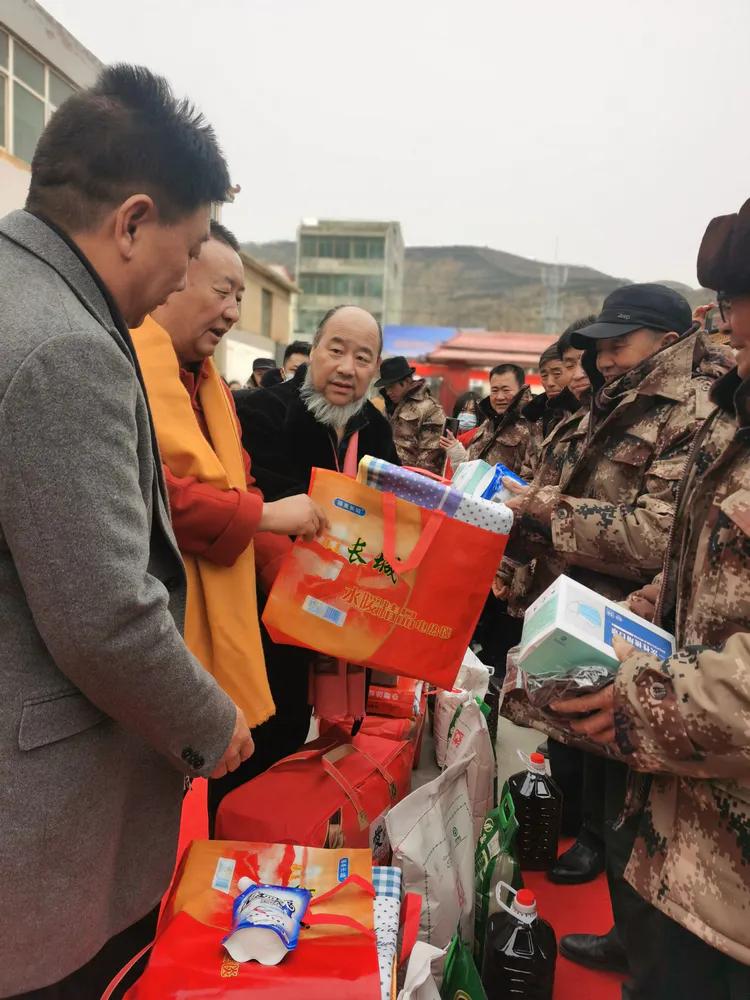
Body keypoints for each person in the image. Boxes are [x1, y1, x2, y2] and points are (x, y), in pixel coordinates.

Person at [0, 65, 252, 999]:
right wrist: (209, 724)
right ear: (133, 222)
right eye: (188, 255)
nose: (185, 281)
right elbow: (104, 615)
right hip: (37, 839)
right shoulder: (66, 348)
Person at [546, 204, 750, 999]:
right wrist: (640, 612)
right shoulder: (733, 415)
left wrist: (645, 695)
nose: (729, 328)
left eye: (738, 306)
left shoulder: (699, 407)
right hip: (689, 821)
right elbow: (698, 552)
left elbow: (652, 528)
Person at [501, 283, 734, 980]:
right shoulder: (622, 402)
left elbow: (658, 533)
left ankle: (634, 942)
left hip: (670, 664)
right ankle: (626, 934)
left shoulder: (694, 408)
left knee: (640, 814)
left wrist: (547, 515)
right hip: (608, 625)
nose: (603, 361)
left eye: (618, 345)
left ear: (668, 341)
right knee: (615, 804)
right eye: (597, 349)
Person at [131, 220, 324, 745]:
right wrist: (265, 516)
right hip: (153, 628)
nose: (234, 311)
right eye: (223, 291)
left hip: (234, 616)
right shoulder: (121, 368)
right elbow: (150, 494)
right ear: (172, 277)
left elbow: (243, 489)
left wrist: (301, 590)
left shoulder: (212, 390)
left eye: (240, 297)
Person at [225, 305, 399, 813]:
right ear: (313, 349)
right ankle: (233, 838)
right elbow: (255, 504)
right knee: (264, 735)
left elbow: (392, 517)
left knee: (317, 743)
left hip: (343, 614)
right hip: (267, 613)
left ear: (376, 367)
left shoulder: (375, 428)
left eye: (362, 358)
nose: (346, 368)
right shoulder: (261, 411)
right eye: (336, 350)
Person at [440, 362, 532, 474]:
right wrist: (456, 451)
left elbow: (534, 478)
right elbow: (472, 470)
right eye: (494, 390)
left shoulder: (533, 426)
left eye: (506, 390)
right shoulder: (488, 424)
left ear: (521, 389)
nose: (499, 397)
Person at [376, 355, 446, 475]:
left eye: (391, 386)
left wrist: (411, 482)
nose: (388, 392)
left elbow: (430, 459)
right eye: (386, 388)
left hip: (411, 480)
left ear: (408, 381)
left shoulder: (430, 408)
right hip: (386, 475)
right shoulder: (389, 407)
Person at [521, 341, 579, 478]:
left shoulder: (583, 416)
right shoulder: (536, 417)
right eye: (544, 376)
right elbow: (528, 471)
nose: (549, 383)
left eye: (557, 374)